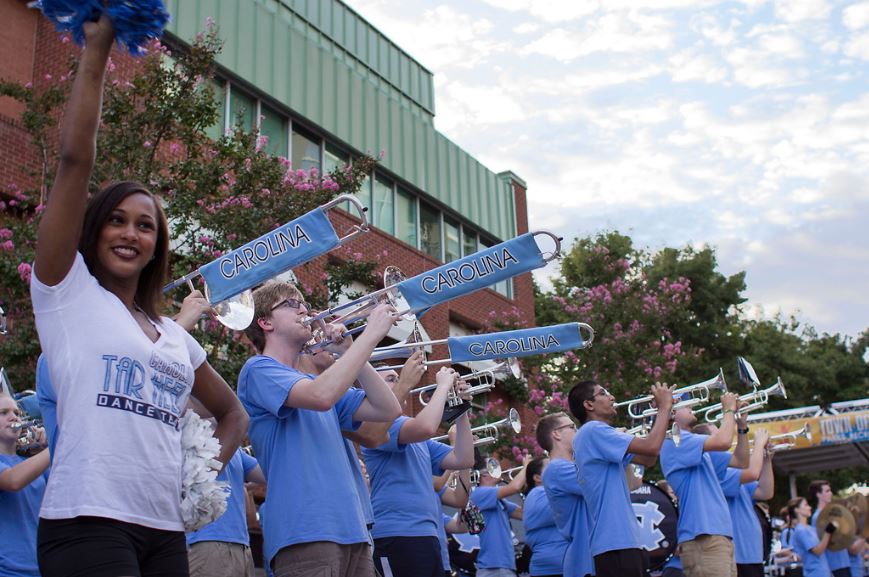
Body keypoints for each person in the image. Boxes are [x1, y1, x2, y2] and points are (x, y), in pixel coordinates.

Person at [30, 15, 248, 577]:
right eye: (117, 221)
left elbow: (233, 416)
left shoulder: (175, 337)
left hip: (165, 533)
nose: (131, 233)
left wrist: (199, 474)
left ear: (157, 246)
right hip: (87, 522)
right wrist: (98, 47)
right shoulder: (67, 293)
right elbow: (75, 160)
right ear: (94, 229)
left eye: (145, 226)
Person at [237, 280, 402, 577]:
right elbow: (320, 398)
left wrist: (351, 350)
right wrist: (371, 334)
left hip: (353, 531)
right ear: (265, 322)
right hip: (305, 530)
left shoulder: (318, 382)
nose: (304, 309)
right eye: (291, 303)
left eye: (303, 303)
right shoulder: (258, 369)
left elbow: (387, 409)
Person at [362, 365, 474, 577]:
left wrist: (462, 410)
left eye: (398, 377)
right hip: (396, 534)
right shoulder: (376, 425)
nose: (400, 381)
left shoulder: (419, 439)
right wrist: (442, 386)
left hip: (427, 534)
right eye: (390, 379)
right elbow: (426, 427)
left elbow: (464, 458)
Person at [569, 380, 674, 577]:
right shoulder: (593, 430)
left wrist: (661, 416)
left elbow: (648, 458)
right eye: (603, 393)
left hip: (622, 542)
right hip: (615, 543)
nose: (612, 397)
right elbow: (652, 447)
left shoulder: (596, 436)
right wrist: (664, 407)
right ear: (589, 404)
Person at [660, 391, 741, 577]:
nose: (691, 405)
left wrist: (741, 425)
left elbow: (742, 461)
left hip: (717, 536)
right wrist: (728, 410)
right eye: (684, 403)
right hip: (703, 538)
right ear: (672, 413)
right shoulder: (675, 441)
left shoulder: (696, 446)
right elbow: (724, 441)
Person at [185, 398, 267, 577]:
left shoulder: (235, 450)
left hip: (241, 546)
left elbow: (267, 473)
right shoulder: (188, 439)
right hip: (206, 542)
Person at [537, 412, 592, 577]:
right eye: (572, 427)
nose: (577, 430)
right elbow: (597, 479)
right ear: (556, 434)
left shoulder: (569, 467)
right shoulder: (557, 469)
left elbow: (633, 484)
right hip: (586, 558)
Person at [0, 393, 50, 576]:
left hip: (43, 568)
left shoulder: (31, 461)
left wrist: (45, 449)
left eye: (16, 412)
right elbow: (13, 481)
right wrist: (54, 445)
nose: (14, 417)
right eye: (3, 413)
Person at [717, 427, 773, 577]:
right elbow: (753, 473)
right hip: (738, 554)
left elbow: (765, 492)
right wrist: (758, 445)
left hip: (752, 551)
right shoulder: (720, 475)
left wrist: (766, 459)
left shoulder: (735, 474)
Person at [470, 454, 527, 577]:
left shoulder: (499, 501)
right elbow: (514, 487)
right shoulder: (479, 493)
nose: (497, 468)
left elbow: (525, 514)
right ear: (483, 474)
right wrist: (526, 467)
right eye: (492, 466)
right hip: (492, 567)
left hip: (504, 566)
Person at [522, 455, 569, 577]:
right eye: (551, 466)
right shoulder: (536, 494)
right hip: (552, 569)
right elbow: (564, 507)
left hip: (562, 566)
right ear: (538, 478)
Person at [809, 480, 852, 577]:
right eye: (827, 491)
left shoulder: (833, 513)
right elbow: (819, 542)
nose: (831, 493)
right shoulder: (817, 517)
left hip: (844, 561)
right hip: (833, 565)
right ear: (818, 495)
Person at [786, 497, 835, 577]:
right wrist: (828, 533)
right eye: (806, 505)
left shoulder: (811, 529)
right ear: (797, 510)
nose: (809, 507)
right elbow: (818, 551)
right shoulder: (801, 531)